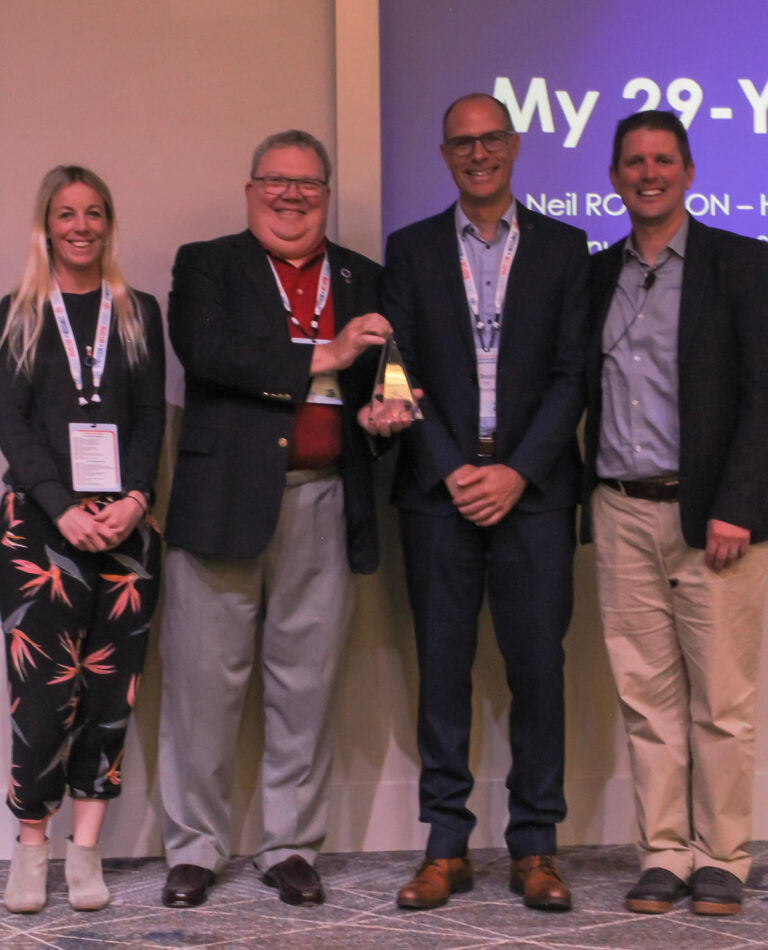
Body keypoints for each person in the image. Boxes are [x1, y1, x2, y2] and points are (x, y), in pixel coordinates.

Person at [158, 129, 409, 908]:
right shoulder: (207, 265)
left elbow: (385, 374)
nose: (291, 195)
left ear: (326, 196)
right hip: (223, 502)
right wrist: (322, 355)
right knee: (204, 685)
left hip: (327, 497)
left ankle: (290, 845)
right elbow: (208, 351)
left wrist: (379, 414)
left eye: (307, 184)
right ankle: (194, 849)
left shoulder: (364, 276)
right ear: (250, 190)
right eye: (276, 181)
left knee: (306, 685)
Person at [382, 93, 590, 912]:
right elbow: (395, 369)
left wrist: (516, 472)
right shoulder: (412, 249)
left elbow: (576, 374)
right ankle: (445, 845)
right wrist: (449, 466)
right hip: (438, 496)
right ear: (445, 155)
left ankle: (535, 846)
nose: (478, 154)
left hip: (533, 496)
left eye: (491, 139)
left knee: (539, 673)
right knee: (442, 672)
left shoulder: (567, 248)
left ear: (515, 146)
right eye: (462, 143)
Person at [582, 110, 768, 916]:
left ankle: (723, 856)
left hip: (716, 520)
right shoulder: (594, 277)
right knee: (645, 697)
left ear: (689, 173)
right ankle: (664, 851)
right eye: (633, 162)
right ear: (615, 178)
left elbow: (765, 398)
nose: (647, 173)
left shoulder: (744, 264)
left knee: (721, 701)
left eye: (662, 160)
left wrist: (739, 506)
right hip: (620, 509)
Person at [0, 166, 165, 913]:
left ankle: (85, 853)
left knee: (109, 696)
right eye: (66, 214)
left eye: (94, 213)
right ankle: (31, 850)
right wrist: (62, 507)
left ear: (108, 223)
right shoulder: (17, 315)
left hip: (126, 532)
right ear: (46, 224)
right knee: (41, 700)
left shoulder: (139, 313)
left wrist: (134, 499)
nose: (81, 226)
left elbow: (150, 422)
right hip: (40, 531)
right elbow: (13, 427)